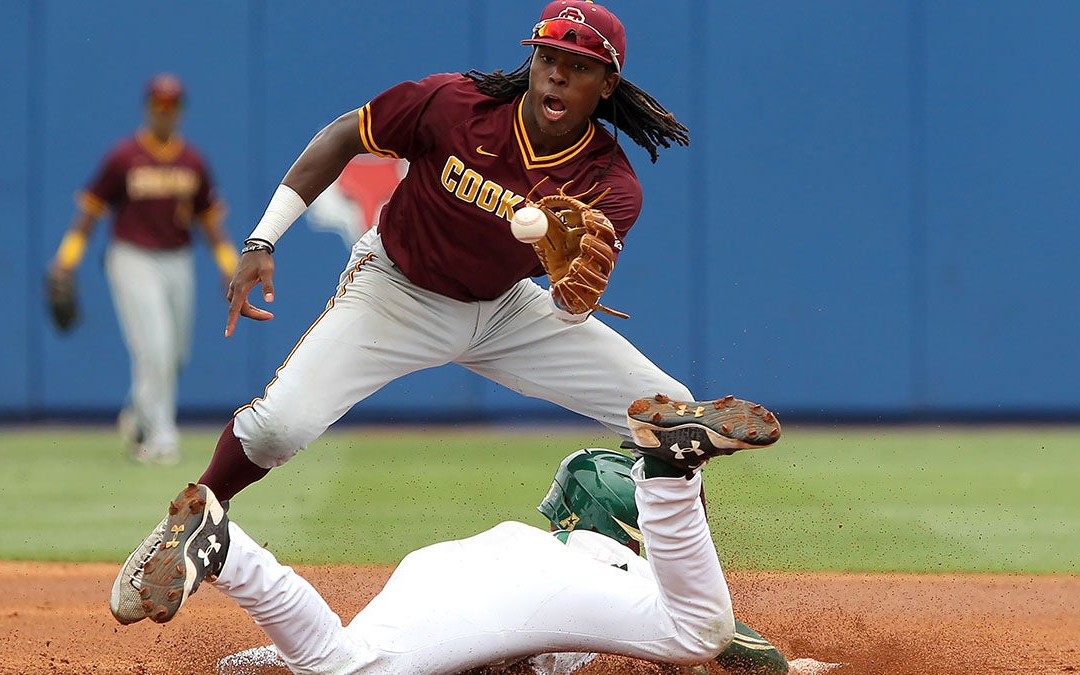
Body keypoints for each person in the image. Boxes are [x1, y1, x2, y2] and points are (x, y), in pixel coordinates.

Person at [113, 0, 780, 623]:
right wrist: (262, 238)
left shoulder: (611, 182)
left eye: (578, 67)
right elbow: (346, 133)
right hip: (397, 289)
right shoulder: (453, 105)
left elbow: (570, 303)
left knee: (673, 413)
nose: (556, 75)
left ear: (605, 86)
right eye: (549, 58)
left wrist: (573, 295)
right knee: (278, 428)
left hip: (508, 310)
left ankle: (687, 604)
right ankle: (193, 517)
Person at [153, 444, 793, 675]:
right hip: (524, 596)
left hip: (444, 566)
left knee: (356, 656)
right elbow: (742, 649)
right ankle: (231, 553)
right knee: (697, 631)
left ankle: (230, 556)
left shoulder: (535, 539)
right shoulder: (620, 568)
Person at [48, 73, 238, 466]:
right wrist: (66, 261)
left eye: (172, 105)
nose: (165, 112)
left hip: (178, 260)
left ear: (181, 111)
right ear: (148, 107)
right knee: (154, 346)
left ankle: (138, 415)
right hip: (131, 258)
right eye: (158, 104)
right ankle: (160, 438)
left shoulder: (193, 161)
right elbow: (89, 215)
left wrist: (230, 267)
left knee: (176, 354)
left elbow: (211, 223)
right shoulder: (124, 156)